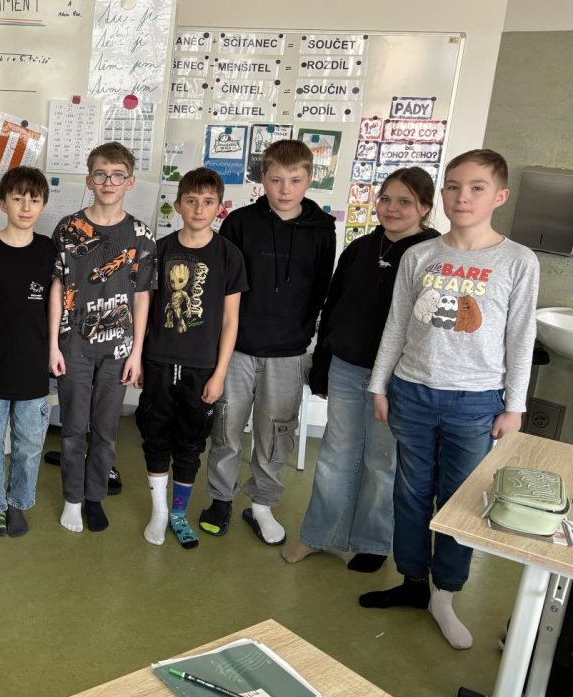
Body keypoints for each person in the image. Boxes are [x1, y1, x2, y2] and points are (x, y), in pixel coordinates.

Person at [362, 149, 539, 650]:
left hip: (475, 400)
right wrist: (379, 384)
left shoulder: (517, 261)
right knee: (410, 492)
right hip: (413, 391)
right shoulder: (420, 255)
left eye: (477, 188)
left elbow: (520, 337)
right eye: (454, 186)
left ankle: (446, 593)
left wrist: (515, 406)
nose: (463, 197)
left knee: (459, 500)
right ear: (442, 194)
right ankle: (413, 580)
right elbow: (397, 324)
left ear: (499, 196)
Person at [284, 167, 439, 572]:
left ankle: (372, 542)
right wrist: (322, 363)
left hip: (398, 378)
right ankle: (319, 535)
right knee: (336, 454)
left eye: (404, 201)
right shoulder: (360, 248)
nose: (391, 208)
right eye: (385, 199)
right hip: (347, 367)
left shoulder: (433, 254)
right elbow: (333, 306)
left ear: (424, 207)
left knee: (382, 461)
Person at [198, 139, 335, 544]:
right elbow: (223, 288)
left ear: (309, 179)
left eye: (295, 180)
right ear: (263, 179)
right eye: (276, 180)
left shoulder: (322, 231)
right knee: (226, 427)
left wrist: (303, 335)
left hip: (289, 352)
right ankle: (220, 498)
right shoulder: (240, 223)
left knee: (276, 432)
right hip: (237, 348)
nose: (285, 189)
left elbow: (321, 289)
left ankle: (262, 504)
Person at [49, 141, 157, 533]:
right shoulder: (68, 229)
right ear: (89, 180)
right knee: (73, 428)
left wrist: (137, 353)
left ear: (130, 182)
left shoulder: (141, 236)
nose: (108, 182)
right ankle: (72, 499)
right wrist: (53, 345)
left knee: (107, 431)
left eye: (117, 175)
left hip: (119, 350)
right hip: (74, 345)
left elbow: (142, 297)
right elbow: (57, 288)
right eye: (100, 174)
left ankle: (94, 496)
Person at [137, 168, 245, 548]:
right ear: (179, 204)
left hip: (202, 367)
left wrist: (220, 374)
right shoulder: (160, 249)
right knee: (155, 435)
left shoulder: (229, 255)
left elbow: (231, 320)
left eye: (208, 202)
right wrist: (138, 357)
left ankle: (179, 513)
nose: (199, 209)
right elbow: (145, 308)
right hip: (158, 361)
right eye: (192, 201)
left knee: (190, 442)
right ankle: (159, 511)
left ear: (219, 207)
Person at [0, 167, 56, 538]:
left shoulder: (48, 250)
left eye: (34, 200)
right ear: (2, 202)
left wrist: (53, 352)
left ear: (43, 205)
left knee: (28, 445)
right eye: (17, 198)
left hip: (33, 366)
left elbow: (55, 306)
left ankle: (18, 502)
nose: (25, 207)